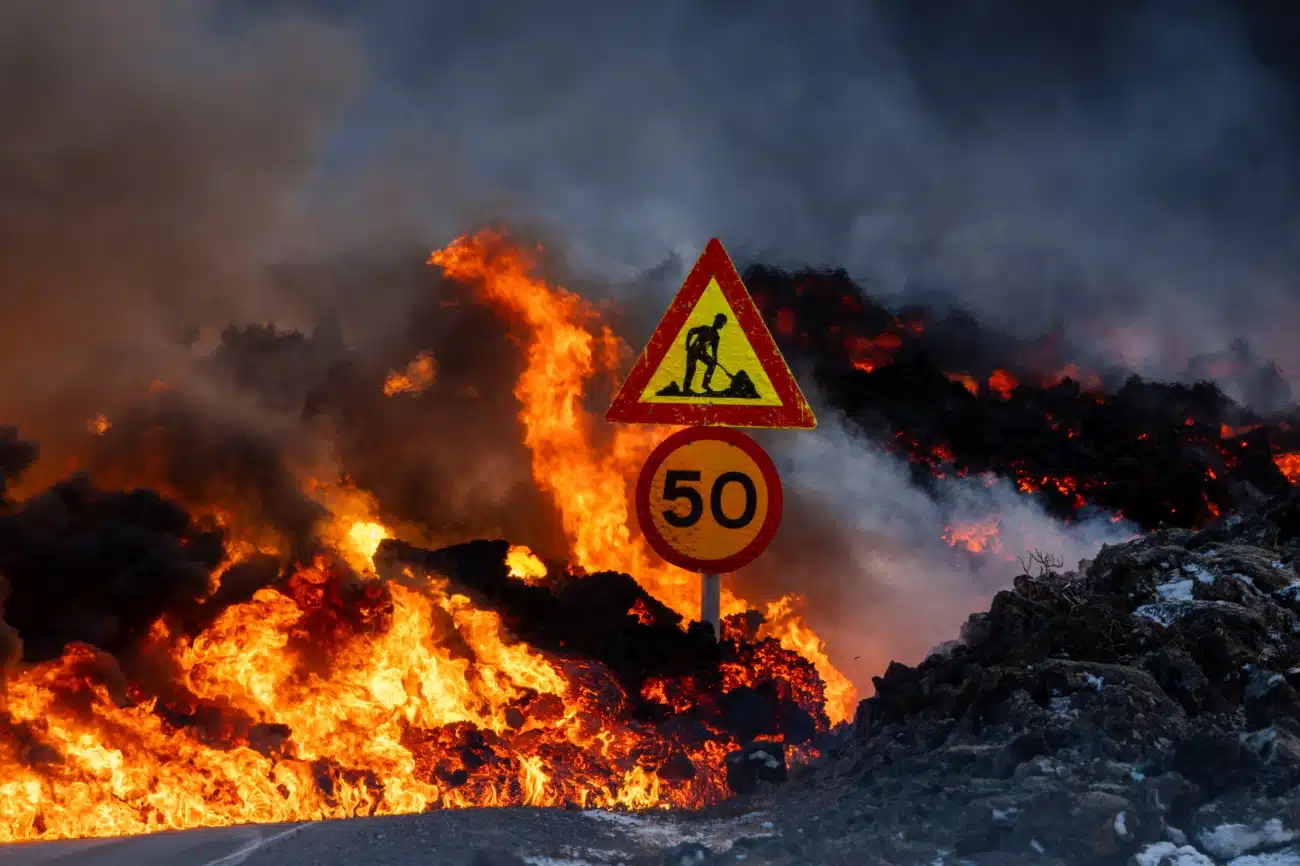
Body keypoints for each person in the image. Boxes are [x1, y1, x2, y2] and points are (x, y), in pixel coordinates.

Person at [682, 313, 727, 395]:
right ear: (717, 321)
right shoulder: (705, 328)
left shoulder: (716, 336)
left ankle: (705, 384)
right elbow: (691, 331)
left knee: (712, 364)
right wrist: (687, 345)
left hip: (702, 353)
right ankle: (686, 389)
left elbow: (714, 351)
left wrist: (714, 359)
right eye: (722, 323)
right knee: (691, 369)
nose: (722, 326)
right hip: (693, 351)